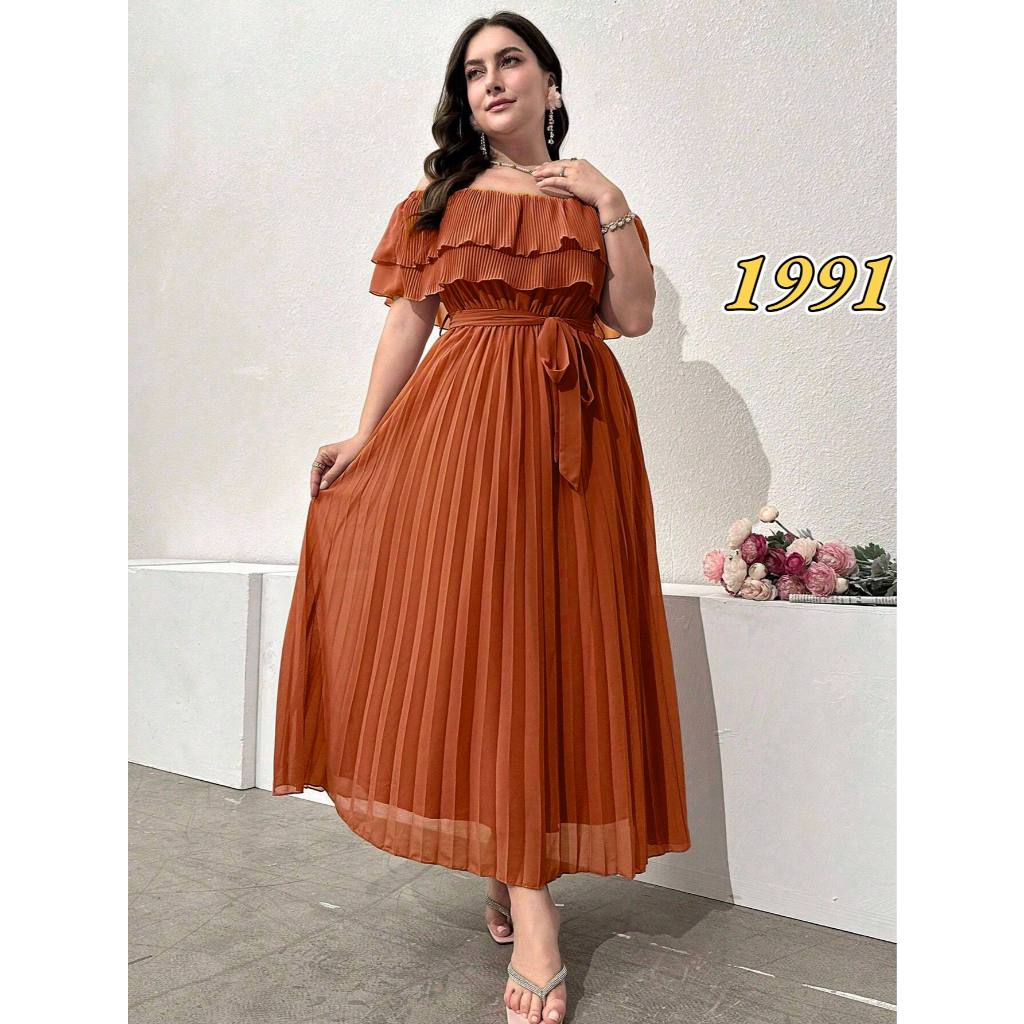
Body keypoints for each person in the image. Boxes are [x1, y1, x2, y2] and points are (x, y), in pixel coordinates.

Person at [273, 12, 691, 1024]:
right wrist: (367, 435)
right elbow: (408, 320)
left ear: (551, 84)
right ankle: (533, 906)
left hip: (580, 440)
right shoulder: (437, 203)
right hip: (467, 430)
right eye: (473, 71)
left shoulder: (592, 200)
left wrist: (612, 202)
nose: (491, 80)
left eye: (510, 62)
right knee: (491, 649)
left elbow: (632, 317)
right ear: (463, 99)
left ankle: (512, 863)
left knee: (558, 649)